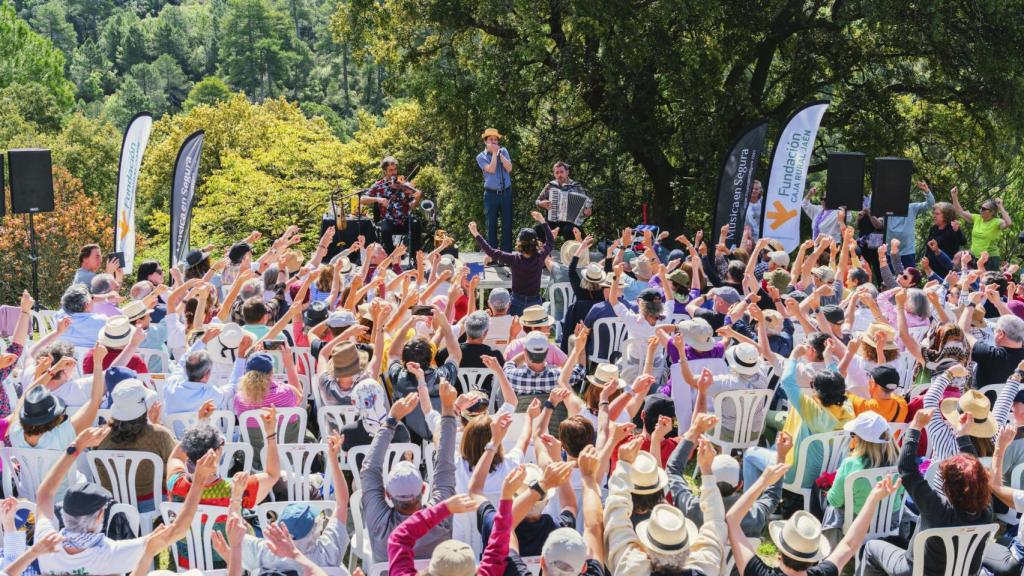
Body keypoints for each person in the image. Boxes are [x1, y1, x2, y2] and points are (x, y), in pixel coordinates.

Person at [34, 425, 212, 575]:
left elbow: (44, 494)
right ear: (99, 517)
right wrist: (198, 482)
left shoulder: (45, 545)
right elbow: (178, 531)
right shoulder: (109, 554)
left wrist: (76, 447)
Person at [860, 408, 994, 576]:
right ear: (982, 481)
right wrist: (963, 436)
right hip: (964, 573)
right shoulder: (987, 511)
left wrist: (915, 426)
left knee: (872, 547)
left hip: (916, 570)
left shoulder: (936, 508)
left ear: (948, 486)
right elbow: (976, 469)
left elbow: (906, 469)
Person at [729, 460, 901, 576]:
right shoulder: (823, 573)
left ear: (780, 550)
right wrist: (873, 499)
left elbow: (732, 520)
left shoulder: (758, 572)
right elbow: (850, 544)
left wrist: (763, 481)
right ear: (813, 559)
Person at [224, 433, 350, 574]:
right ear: (314, 530)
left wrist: (236, 496)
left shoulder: (264, 553)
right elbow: (342, 503)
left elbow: (232, 529)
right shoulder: (326, 553)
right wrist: (333, 460)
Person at [605, 434, 726, 574]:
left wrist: (623, 465)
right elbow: (715, 522)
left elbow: (615, 517)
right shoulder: (705, 567)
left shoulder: (632, 568)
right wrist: (707, 470)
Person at [362, 387, 457, 563]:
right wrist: (448, 408)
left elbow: (369, 470)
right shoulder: (439, 515)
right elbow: (445, 464)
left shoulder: (379, 523)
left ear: (388, 494)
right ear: (423, 489)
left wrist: (391, 421)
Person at [95, 379, 176, 514]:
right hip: (153, 503)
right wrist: (156, 424)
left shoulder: (99, 435)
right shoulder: (159, 435)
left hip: (113, 503)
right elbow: (177, 461)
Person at [470, 211, 554, 316]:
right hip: (535, 302)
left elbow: (490, 251)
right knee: (534, 329)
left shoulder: (513, 259)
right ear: (536, 243)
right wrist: (542, 220)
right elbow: (550, 241)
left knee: (513, 330)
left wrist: (476, 233)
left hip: (516, 302)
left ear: (519, 243)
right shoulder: (540, 257)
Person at [361, 155, 423, 254]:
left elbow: (412, 205)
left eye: (395, 169)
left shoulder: (404, 185)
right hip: (388, 220)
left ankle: (415, 257)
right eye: (390, 170)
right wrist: (378, 199)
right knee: (385, 230)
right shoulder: (379, 186)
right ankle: (391, 257)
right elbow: (362, 199)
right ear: (385, 171)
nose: (394, 173)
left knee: (416, 224)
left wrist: (417, 198)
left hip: (404, 219)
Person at [950, 187, 1012, 270]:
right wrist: (954, 196)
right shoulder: (977, 218)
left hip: (990, 259)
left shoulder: (997, 222)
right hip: (975, 258)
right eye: (980, 207)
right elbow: (960, 212)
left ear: (992, 212)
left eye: (984, 209)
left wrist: (1000, 207)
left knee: (986, 282)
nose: (980, 210)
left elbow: (1008, 223)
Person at [535, 161, 592, 241]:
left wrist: (587, 211)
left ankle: (569, 253)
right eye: (557, 172)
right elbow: (537, 201)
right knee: (538, 229)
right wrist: (541, 203)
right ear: (554, 174)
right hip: (553, 221)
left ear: (567, 172)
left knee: (568, 230)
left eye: (561, 172)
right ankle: (544, 252)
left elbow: (587, 205)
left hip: (571, 223)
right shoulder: (550, 186)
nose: (559, 175)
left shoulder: (576, 186)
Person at [477, 128, 514, 251]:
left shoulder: (503, 151)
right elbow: (491, 169)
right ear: (485, 142)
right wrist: (493, 154)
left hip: (506, 193)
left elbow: (509, 168)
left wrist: (500, 155)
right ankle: (492, 255)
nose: (493, 142)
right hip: (491, 195)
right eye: (490, 140)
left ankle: (506, 255)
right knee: (491, 225)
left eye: (495, 140)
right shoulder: (480, 157)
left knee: (507, 224)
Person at [885, 181, 936, 268]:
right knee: (891, 279)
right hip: (890, 252)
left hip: (907, 252)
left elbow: (930, 204)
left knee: (910, 279)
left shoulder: (911, 208)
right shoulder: (886, 210)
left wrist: (926, 191)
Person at [57, 283, 108, 348]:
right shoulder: (102, 322)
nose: (93, 300)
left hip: (66, 355)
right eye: (92, 298)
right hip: (93, 357)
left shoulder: (58, 317)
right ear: (86, 305)